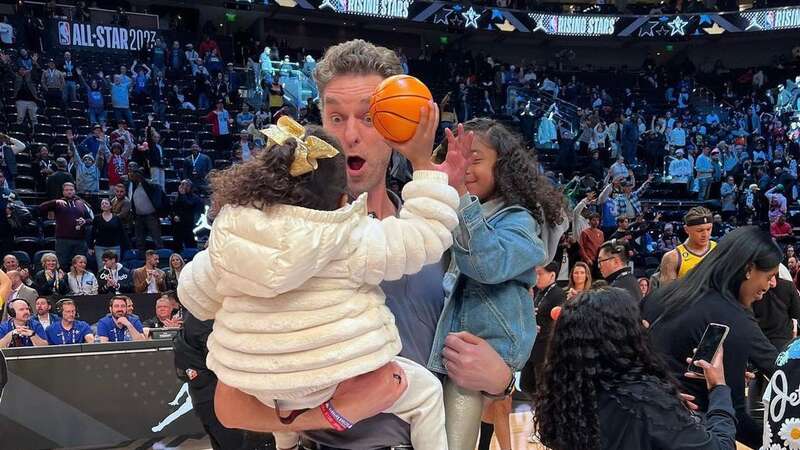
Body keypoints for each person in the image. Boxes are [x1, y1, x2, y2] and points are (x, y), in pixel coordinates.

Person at [208, 40, 514, 449]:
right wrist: (334, 414)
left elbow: (495, 344)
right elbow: (229, 404)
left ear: (396, 126)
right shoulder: (277, 241)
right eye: (336, 117)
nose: (350, 136)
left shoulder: (442, 233)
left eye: (370, 118)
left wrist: (504, 379)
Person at [177, 112, 467, 450]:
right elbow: (423, 236)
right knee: (426, 394)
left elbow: (193, 293)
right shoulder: (347, 235)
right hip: (336, 378)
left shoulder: (230, 239)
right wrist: (423, 165)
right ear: (342, 200)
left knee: (277, 395)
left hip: (261, 387)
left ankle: (286, 441)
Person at [427, 118, 559, 450]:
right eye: (455, 158)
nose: (463, 168)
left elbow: (485, 264)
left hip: (473, 355)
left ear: (502, 168)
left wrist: (458, 194)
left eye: (474, 159)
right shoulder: (455, 215)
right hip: (450, 351)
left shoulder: (519, 219)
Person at [533, 288, 737, 450]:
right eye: (636, 321)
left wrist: (665, 408)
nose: (646, 324)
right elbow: (720, 446)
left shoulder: (567, 394)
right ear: (622, 336)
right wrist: (719, 387)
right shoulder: (643, 401)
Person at [642, 226, 781, 448]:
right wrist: (778, 443)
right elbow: (735, 417)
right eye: (769, 276)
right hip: (685, 435)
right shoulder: (732, 317)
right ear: (748, 269)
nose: (771, 285)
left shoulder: (662, 296)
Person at [521, 262, 565, 395]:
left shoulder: (558, 294)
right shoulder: (540, 292)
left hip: (545, 350)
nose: (536, 277)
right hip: (533, 348)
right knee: (526, 385)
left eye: (540, 273)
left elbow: (559, 323)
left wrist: (541, 328)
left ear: (552, 275)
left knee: (543, 389)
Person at [39, 182, 93, 270]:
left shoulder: (81, 203)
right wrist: (55, 201)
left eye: (71, 190)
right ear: (63, 192)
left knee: (80, 266)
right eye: (67, 190)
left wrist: (85, 221)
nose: (69, 192)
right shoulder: (58, 203)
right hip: (62, 241)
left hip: (80, 241)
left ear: (74, 191)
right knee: (62, 265)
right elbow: (41, 208)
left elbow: (91, 220)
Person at [659, 207, 716, 284]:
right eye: (699, 230)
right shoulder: (673, 258)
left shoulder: (719, 249)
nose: (705, 234)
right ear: (686, 229)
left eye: (709, 229)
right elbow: (667, 293)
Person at [128, 164, 166, 254]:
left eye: (134, 173)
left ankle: (161, 258)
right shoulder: (132, 185)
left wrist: (138, 175)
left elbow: (146, 183)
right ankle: (141, 258)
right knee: (139, 240)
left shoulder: (149, 184)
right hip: (138, 216)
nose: (131, 175)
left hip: (151, 216)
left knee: (157, 238)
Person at [172, 180, 204, 251]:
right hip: (177, 225)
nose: (184, 187)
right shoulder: (176, 195)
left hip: (188, 224)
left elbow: (189, 205)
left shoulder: (195, 198)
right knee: (177, 245)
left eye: (187, 185)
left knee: (190, 244)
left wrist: (182, 195)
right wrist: (174, 215)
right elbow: (173, 208)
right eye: (182, 185)